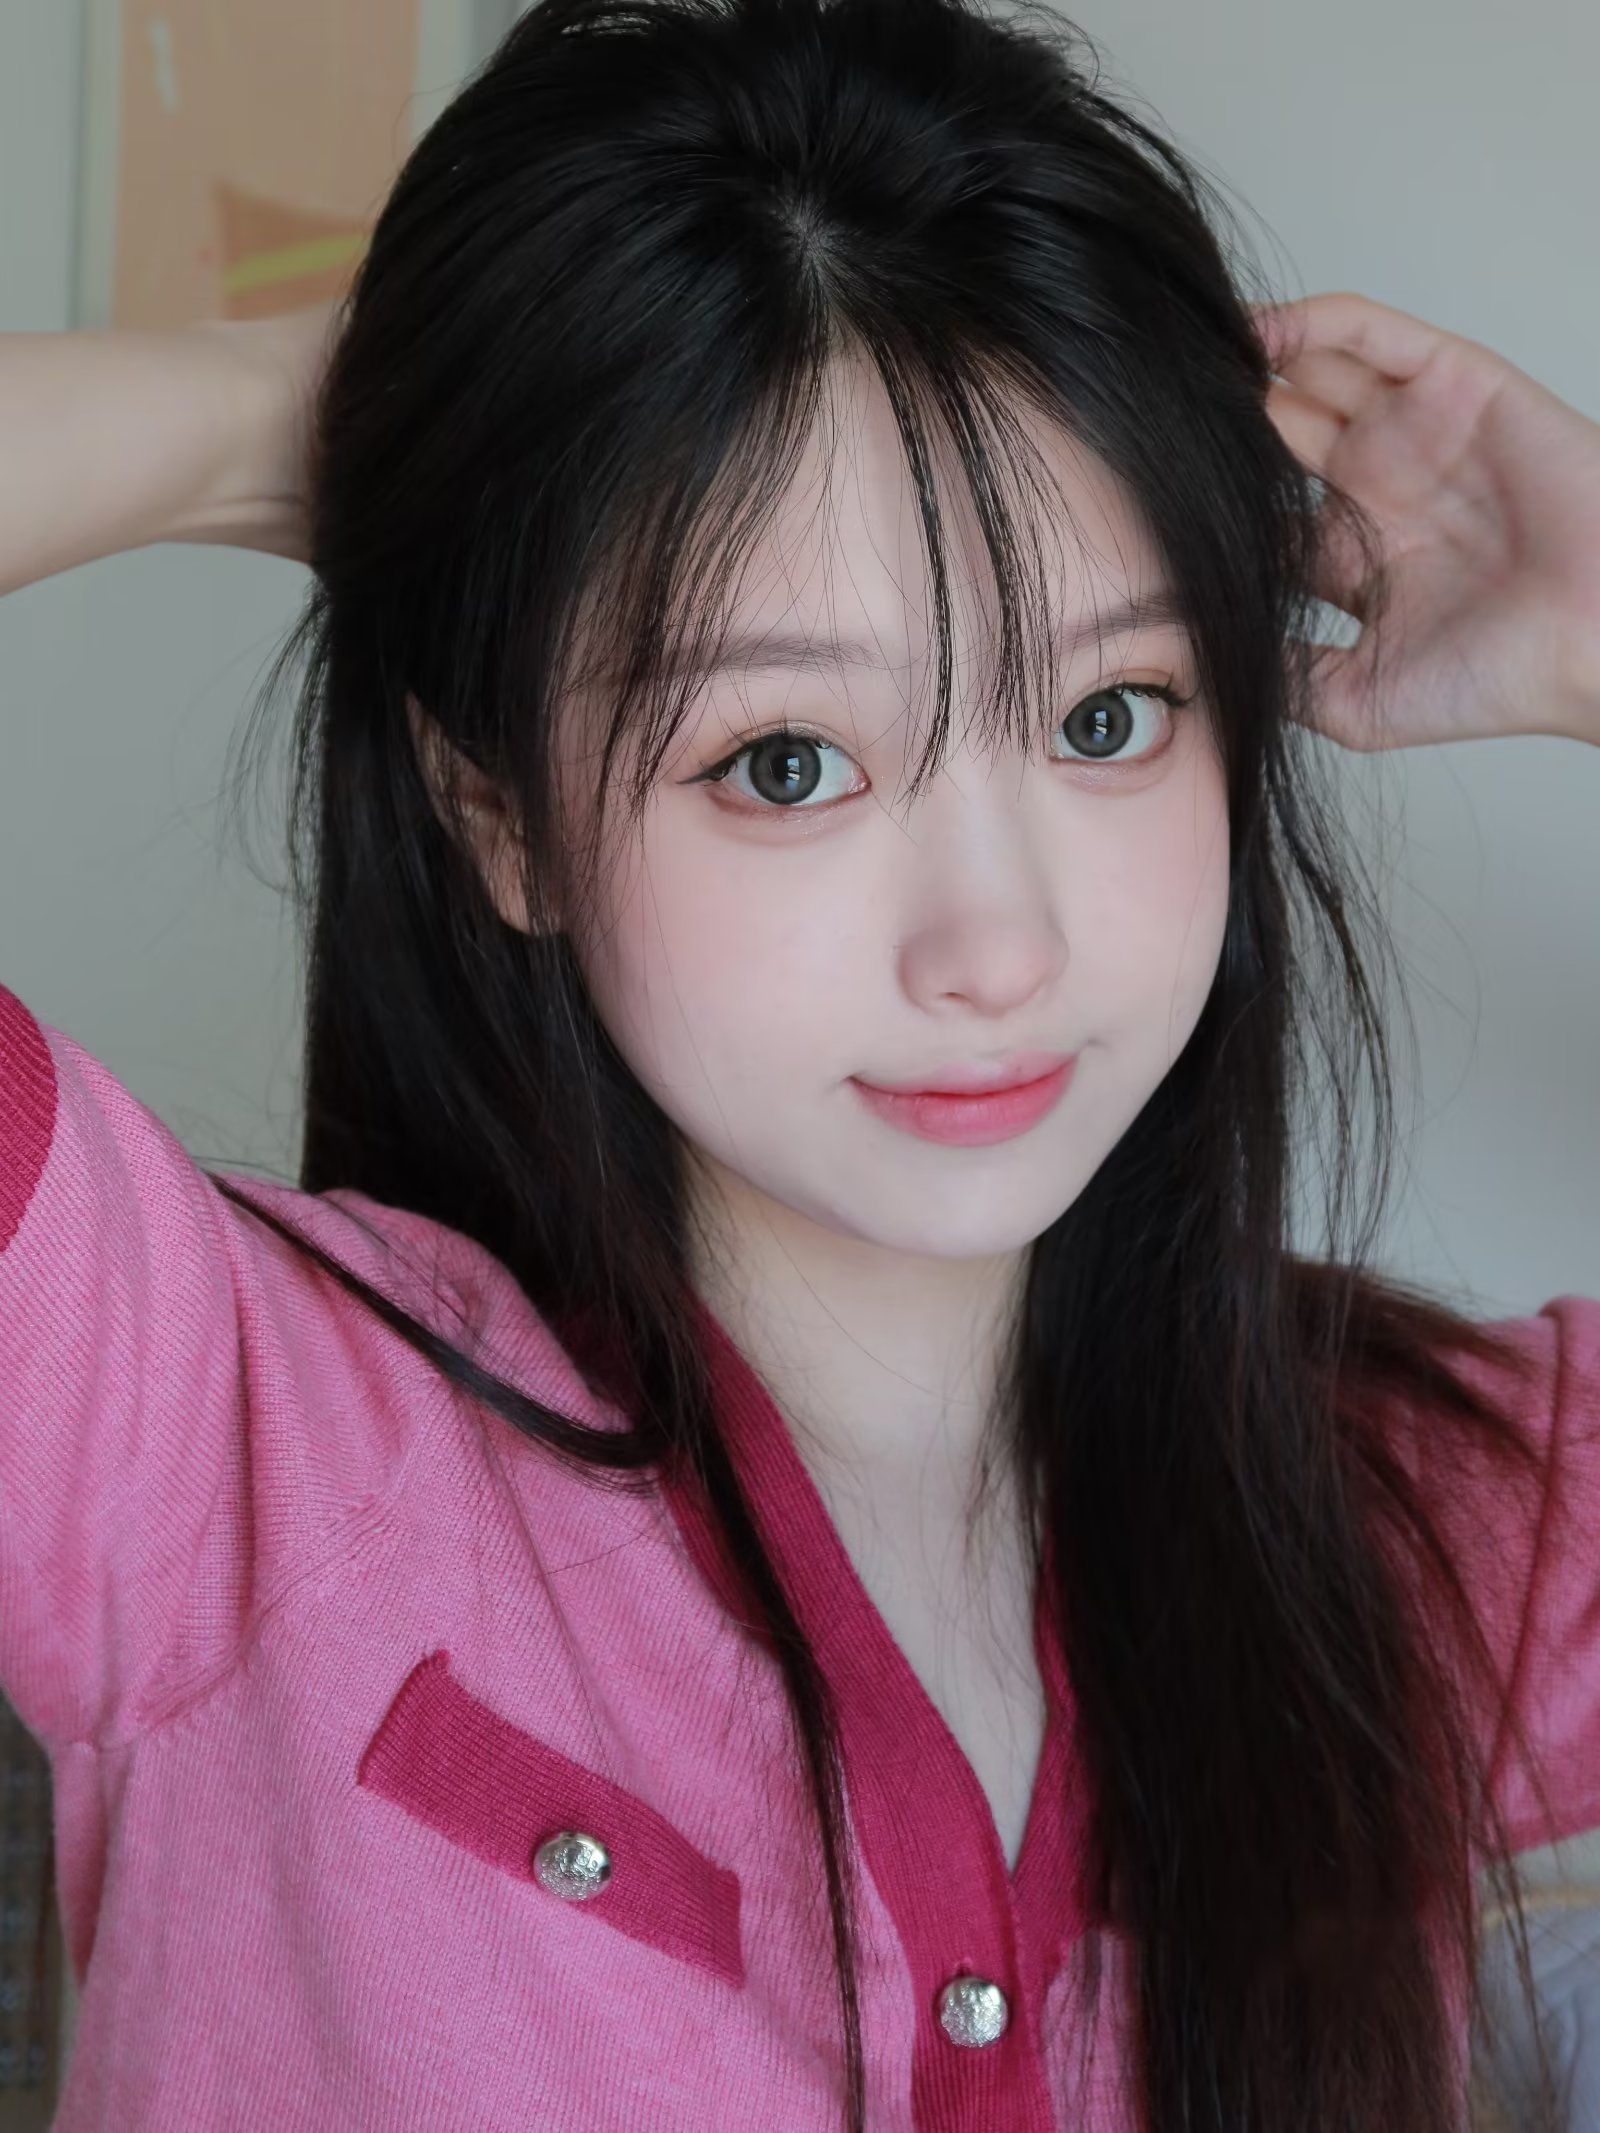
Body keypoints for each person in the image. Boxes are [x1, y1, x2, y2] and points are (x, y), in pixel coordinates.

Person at [1, 0, 1596, 2126]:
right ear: (503, 819)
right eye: (784, 760)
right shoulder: (232, 1446)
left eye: (1105, 717)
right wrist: (306, 420)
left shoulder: (1402, 1515)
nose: (995, 946)